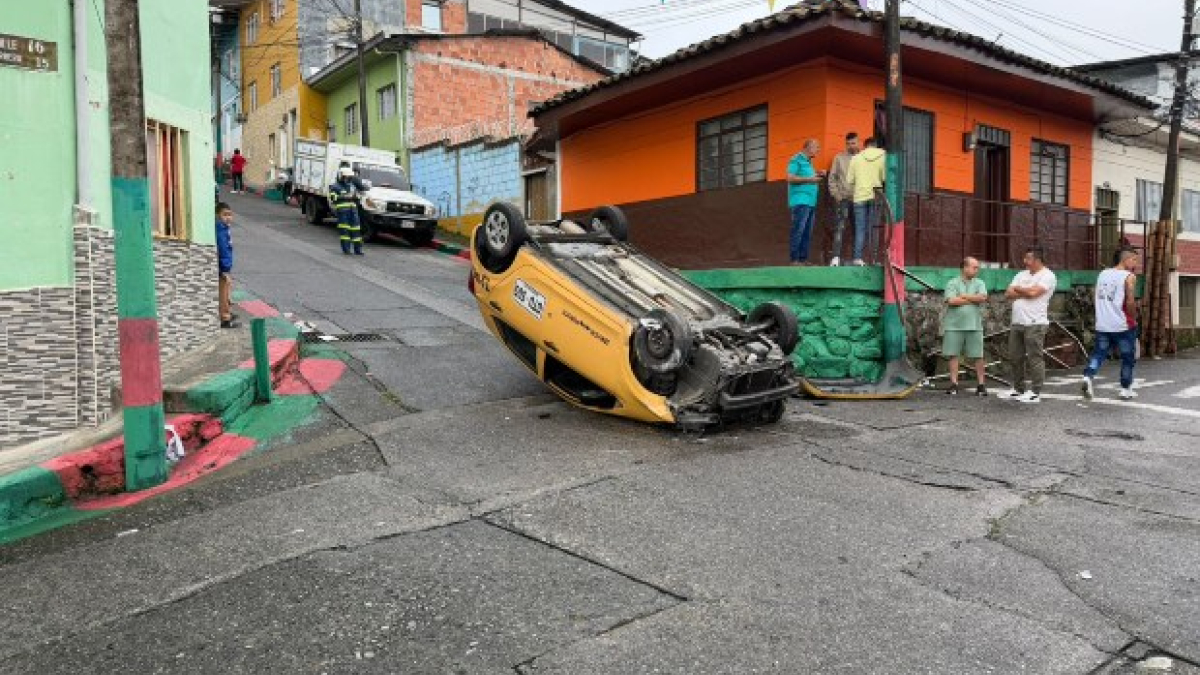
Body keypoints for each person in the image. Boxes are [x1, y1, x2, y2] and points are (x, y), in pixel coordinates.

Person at [1082, 248, 1140, 401]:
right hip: (1122, 324)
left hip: (1103, 323)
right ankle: (1125, 389)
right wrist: (1133, 318)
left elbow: (1096, 296)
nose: (1135, 264)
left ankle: (1088, 376)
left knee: (1099, 354)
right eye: (1134, 260)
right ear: (1125, 259)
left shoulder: (1103, 274)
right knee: (1128, 357)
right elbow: (1130, 301)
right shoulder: (1129, 276)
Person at [1002, 246, 1057, 403]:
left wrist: (1019, 289)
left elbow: (1034, 294)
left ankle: (1035, 391)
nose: (1025, 261)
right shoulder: (1021, 274)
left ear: (1038, 260)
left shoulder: (1048, 276)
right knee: (1015, 356)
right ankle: (1018, 389)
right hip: (1017, 321)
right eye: (1025, 258)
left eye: (1028, 259)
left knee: (1035, 357)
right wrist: (1025, 290)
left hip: (1035, 323)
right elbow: (1008, 294)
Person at [943, 256, 989, 396]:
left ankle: (981, 384)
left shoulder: (980, 282)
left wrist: (963, 296)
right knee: (953, 354)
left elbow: (982, 298)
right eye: (974, 267)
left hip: (974, 325)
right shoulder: (952, 283)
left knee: (978, 355)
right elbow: (951, 301)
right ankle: (953, 383)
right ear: (965, 267)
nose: (977, 270)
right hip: (954, 325)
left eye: (977, 267)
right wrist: (972, 298)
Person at [845, 137, 886, 266]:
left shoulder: (856, 158)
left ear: (865, 146)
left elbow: (850, 180)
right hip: (876, 195)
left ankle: (857, 258)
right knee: (874, 228)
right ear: (876, 146)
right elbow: (885, 177)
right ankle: (873, 259)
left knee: (860, 228)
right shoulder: (883, 156)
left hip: (859, 196)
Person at [786, 139, 825, 265]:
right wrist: (810, 179)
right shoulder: (796, 159)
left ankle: (803, 259)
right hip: (800, 201)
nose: (818, 150)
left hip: (810, 202)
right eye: (816, 147)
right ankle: (794, 259)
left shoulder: (809, 162)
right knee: (798, 230)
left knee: (807, 232)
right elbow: (790, 178)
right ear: (808, 147)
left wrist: (817, 173)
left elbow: (807, 176)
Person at [826, 131, 860, 266]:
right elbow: (832, 178)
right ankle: (835, 258)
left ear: (858, 142)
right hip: (843, 199)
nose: (851, 146)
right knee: (839, 228)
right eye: (848, 143)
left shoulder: (863, 158)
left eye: (853, 143)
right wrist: (837, 195)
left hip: (859, 200)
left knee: (858, 229)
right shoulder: (839, 158)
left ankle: (857, 258)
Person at [330, 165, 366, 256]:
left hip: (353, 211)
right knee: (345, 231)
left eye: (349, 177)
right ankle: (346, 250)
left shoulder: (352, 186)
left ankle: (358, 250)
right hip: (343, 212)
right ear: (341, 176)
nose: (347, 178)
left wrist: (357, 196)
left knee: (356, 231)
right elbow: (333, 197)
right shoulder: (335, 186)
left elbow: (357, 195)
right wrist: (344, 196)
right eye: (345, 176)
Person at [215, 202, 238, 329]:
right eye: (225, 215)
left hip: (226, 266)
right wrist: (225, 269)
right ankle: (225, 319)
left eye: (230, 215)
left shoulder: (224, 228)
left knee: (227, 291)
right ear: (218, 215)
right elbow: (223, 249)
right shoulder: (220, 230)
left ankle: (227, 312)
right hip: (224, 267)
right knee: (224, 293)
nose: (228, 217)